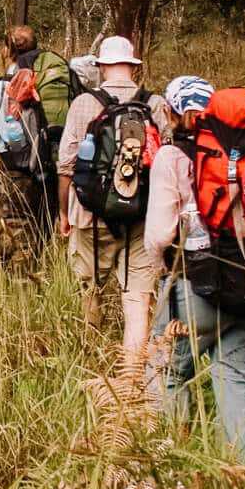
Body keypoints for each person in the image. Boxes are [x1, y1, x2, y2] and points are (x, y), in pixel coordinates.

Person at [148, 76, 245, 459]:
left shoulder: (172, 157)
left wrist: (158, 278)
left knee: (164, 370)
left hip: (196, 289)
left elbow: (158, 237)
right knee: (240, 379)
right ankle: (234, 478)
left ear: (170, 112)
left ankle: (171, 461)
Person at [56, 35, 170, 369]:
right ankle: (131, 373)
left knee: (89, 287)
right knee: (137, 298)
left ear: (102, 66)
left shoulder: (84, 104)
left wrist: (64, 213)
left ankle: (92, 363)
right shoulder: (156, 103)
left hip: (91, 215)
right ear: (134, 66)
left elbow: (66, 165)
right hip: (143, 216)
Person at [0, 25, 59, 275]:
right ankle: (42, 286)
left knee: (16, 245)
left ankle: (23, 300)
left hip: (15, 175)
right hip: (51, 174)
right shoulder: (50, 83)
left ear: (8, 50)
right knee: (41, 239)